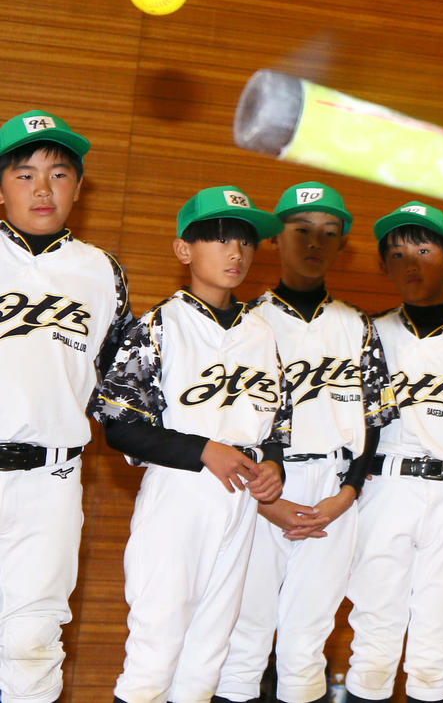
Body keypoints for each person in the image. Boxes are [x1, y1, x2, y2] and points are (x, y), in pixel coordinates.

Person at [94, 185, 290, 703]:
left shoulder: (262, 332)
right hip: (180, 489)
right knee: (156, 651)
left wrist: (274, 462)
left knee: (208, 654)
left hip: (241, 497)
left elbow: (278, 422)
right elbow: (118, 423)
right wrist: (203, 448)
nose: (235, 252)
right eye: (219, 239)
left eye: (245, 241)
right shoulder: (159, 325)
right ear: (184, 249)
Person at [214, 182, 396, 703]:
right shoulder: (246, 320)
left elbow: (375, 421)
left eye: (329, 233)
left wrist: (348, 494)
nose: (315, 242)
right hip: (261, 487)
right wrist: (265, 502)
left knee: (307, 643)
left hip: (334, 492)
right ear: (274, 239)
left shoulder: (358, 325)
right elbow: (227, 420)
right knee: (244, 638)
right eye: (301, 230)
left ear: (342, 245)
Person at [0, 110, 133, 703]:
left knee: (32, 638)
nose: (43, 188)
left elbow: (118, 386)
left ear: (78, 188)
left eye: (58, 174)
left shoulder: (102, 272)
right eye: (24, 174)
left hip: (50, 478)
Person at [342, 202, 443, 703]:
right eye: (398, 254)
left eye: (424, 250)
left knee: (435, 650)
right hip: (384, 487)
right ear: (384, 267)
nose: (411, 263)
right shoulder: (367, 334)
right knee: (373, 640)